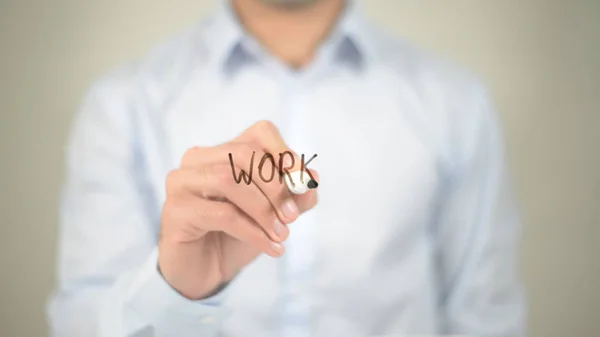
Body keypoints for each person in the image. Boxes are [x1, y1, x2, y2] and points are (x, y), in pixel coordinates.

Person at [47, 0, 527, 336]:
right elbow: (81, 325)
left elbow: (485, 320)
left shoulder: (456, 104)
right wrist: (174, 292)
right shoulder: (123, 106)